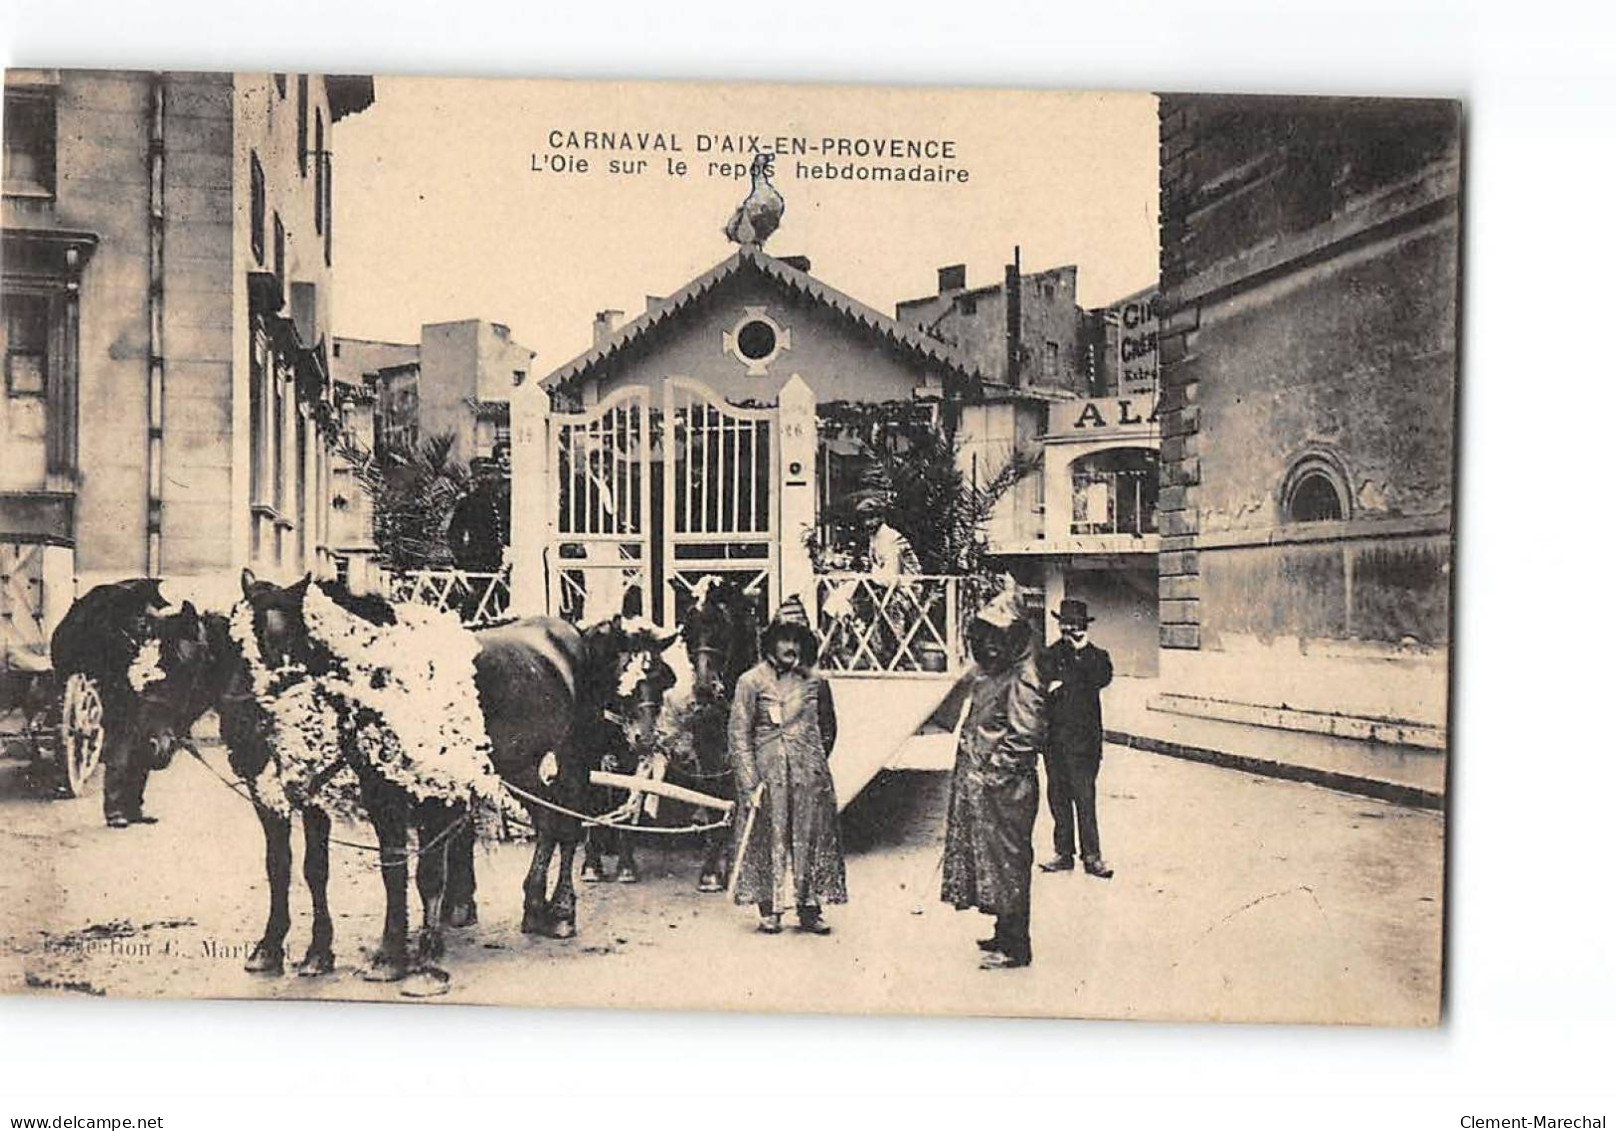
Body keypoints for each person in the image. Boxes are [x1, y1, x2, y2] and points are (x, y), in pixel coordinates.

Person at [941, 581, 1046, 969]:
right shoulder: (996, 675)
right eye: (985, 636)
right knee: (996, 862)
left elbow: (1026, 737)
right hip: (991, 790)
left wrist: (991, 776)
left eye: (998, 636)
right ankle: (1004, 932)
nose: (990, 645)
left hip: (1007, 790)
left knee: (1010, 862)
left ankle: (1016, 946)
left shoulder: (1024, 676)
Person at [728, 595, 845, 934]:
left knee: (811, 836)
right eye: (784, 638)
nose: (790, 647)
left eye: (797, 639)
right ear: (771, 642)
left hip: (808, 775)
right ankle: (770, 907)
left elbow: (829, 728)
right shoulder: (750, 682)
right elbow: (738, 734)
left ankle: (811, 907)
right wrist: (750, 782)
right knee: (768, 836)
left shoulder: (816, 681)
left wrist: (811, 761)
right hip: (767, 775)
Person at [1036, 597, 1115, 878]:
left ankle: (1092, 857)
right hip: (1055, 742)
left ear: (1084, 628)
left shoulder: (1097, 656)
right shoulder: (1049, 655)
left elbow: (1101, 678)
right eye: (1064, 625)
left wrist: (1080, 654)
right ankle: (1063, 854)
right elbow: (1043, 687)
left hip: (1084, 744)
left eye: (1074, 626)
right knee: (1058, 798)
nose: (1068, 631)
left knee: (1084, 798)